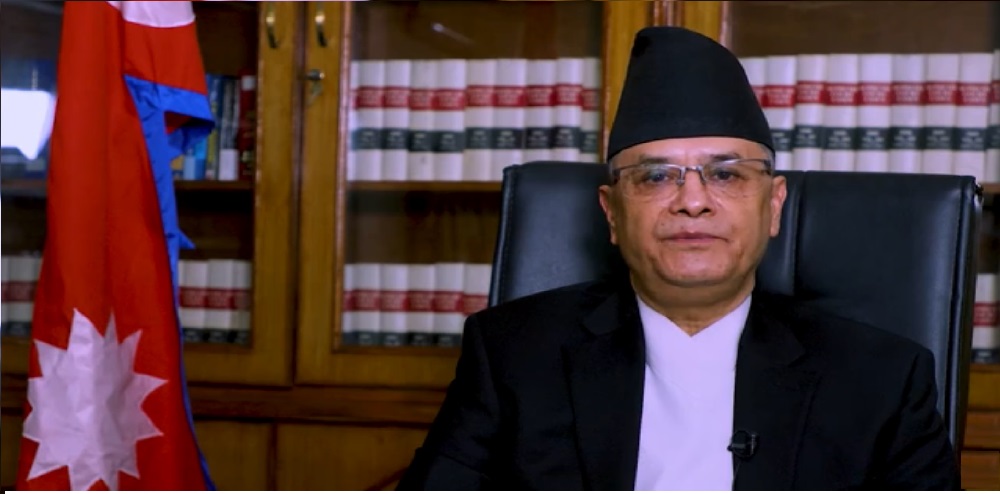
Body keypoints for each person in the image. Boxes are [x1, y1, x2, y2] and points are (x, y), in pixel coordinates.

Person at [397, 26, 961, 491]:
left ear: (774, 206)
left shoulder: (883, 378)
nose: (692, 201)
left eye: (726, 175)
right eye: (656, 177)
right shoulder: (512, 355)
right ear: (612, 213)